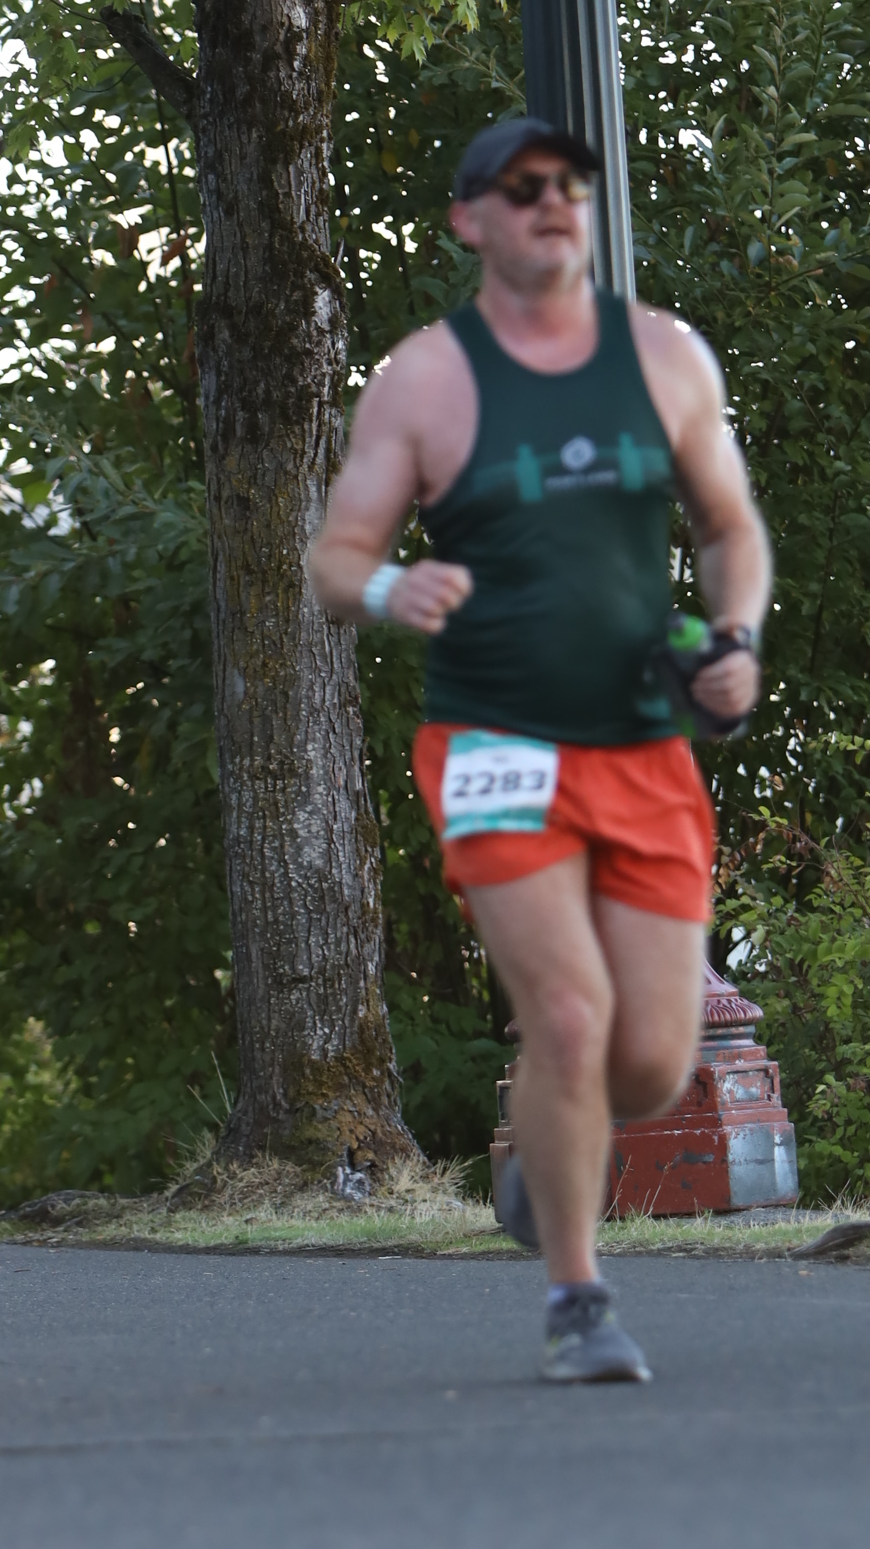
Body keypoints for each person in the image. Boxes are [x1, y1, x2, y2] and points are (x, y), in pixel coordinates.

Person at [307, 115, 771, 1385]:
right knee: (565, 1018)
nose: (554, 202)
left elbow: (729, 528)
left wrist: (733, 635)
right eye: (523, 189)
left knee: (651, 1060)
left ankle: (537, 1156)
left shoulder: (663, 355)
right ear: (470, 220)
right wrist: (392, 589)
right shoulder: (423, 380)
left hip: (640, 746)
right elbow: (335, 559)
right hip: (493, 744)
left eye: (570, 184)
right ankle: (578, 1299)